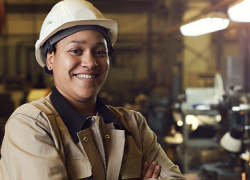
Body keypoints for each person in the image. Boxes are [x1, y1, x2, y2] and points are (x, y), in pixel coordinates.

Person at [0, 0, 185, 179]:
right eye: (75, 51)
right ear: (50, 59)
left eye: (99, 52)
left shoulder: (133, 125)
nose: (90, 63)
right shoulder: (31, 124)